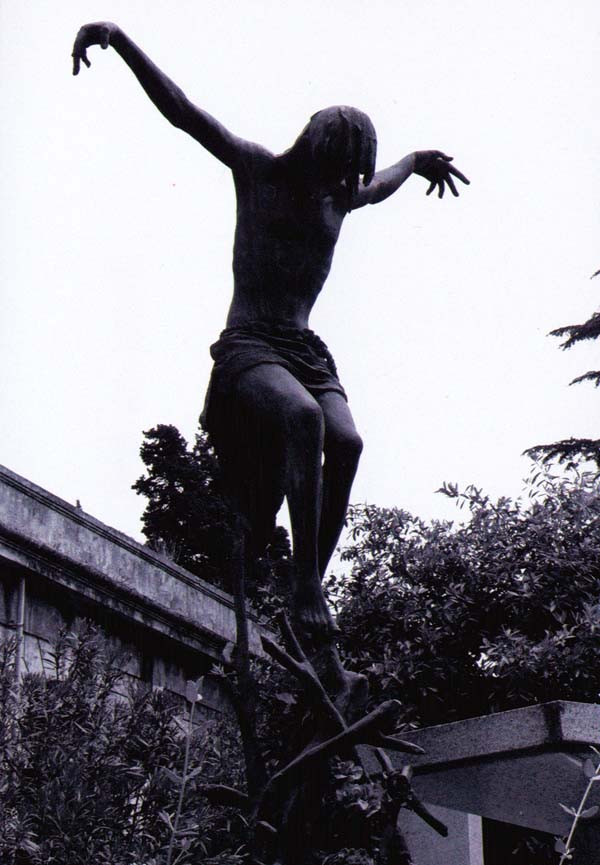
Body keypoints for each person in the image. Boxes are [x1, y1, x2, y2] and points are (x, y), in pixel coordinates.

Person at [72, 23, 469, 638]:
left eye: (350, 176)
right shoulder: (257, 170)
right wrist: (121, 42)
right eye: (337, 171)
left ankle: (305, 586)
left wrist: (416, 161)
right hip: (250, 346)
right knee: (304, 420)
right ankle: (306, 582)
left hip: (306, 351)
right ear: (312, 150)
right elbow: (185, 115)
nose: (342, 187)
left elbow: (382, 183)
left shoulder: (340, 196)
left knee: (348, 443)